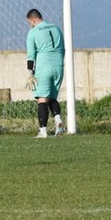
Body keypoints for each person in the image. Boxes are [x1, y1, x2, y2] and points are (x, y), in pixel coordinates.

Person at [25, 8, 66, 138]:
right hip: (59, 66)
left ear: (33, 20)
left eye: (29, 22)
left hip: (44, 67)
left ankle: (43, 131)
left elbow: (31, 55)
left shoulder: (33, 32)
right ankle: (58, 121)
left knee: (42, 98)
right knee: (52, 97)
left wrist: (30, 73)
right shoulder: (56, 28)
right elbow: (63, 49)